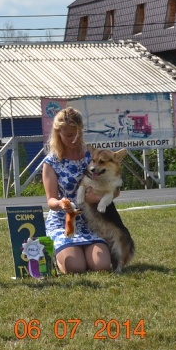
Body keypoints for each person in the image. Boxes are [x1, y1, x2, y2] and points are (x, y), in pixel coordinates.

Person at [43, 107, 115, 274]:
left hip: (91, 222)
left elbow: (113, 185)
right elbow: (51, 201)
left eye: (78, 134)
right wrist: (61, 204)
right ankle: (56, 256)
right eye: (69, 135)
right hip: (63, 223)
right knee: (76, 267)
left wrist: (100, 197)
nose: (75, 139)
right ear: (58, 133)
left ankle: (85, 252)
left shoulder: (93, 155)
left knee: (101, 266)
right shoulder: (51, 162)